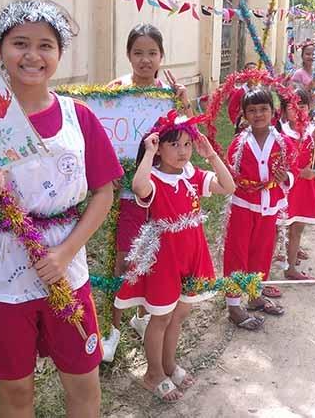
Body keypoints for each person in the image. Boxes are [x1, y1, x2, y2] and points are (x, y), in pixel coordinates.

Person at [0, 0, 122, 417]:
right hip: (0, 272)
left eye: (45, 45)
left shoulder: (78, 118)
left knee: (83, 379)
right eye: (19, 43)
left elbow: (103, 193)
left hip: (66, 267)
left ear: (59, 54)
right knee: (15, 392)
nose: (32, 55)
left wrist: (65, 253)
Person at [114, 113, 235, 401]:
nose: (182, 151)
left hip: (192, 253)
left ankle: (169, 365)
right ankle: (153, 373)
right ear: (159, 149)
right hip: (164, 259)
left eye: (187, 144)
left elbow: (228, 186)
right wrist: (149, 152)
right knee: (160, 316)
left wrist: (211, 155)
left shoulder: (192, 174)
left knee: (180, 313)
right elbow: (139, 187)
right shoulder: (153, 177)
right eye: (174, 145)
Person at [102, 24, 193, 361]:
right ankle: (111, 329)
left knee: (154, 258)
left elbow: (188, 137)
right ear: (128, 55)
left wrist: (184, 104)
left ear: (161, 56)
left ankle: (143, 318)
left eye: (151, 53)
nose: (144, 59)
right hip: (126, 193)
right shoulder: (114, 92)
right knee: (123, 260)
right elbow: (103, 135)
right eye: (138, 53)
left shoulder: (169, 95)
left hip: (161, 194)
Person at [223, 88, 296, 330]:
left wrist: (285, 177)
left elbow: (291, 171)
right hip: (243, 207)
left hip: (269, 208)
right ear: (244, 115)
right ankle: (234, 305)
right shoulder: (239, 144)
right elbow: (229, 173)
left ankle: (254, 296)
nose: (258, 114)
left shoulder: (283, 142)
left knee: (262, 253)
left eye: (263, 109)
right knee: (237, 253)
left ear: (273, 112)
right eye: (252, 110)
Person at [278, 87, 315, 280]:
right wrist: (300, 173)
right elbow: (278, 170)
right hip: (285, 190)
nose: (298, 110)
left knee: (297, 229)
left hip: (305, 189)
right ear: (284, 110)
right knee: (277, 229)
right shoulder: (279, 134)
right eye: (292, 106)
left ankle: (290, 268)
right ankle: (266, 269)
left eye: (302, 105)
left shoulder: (311, 133)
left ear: (309, 108)